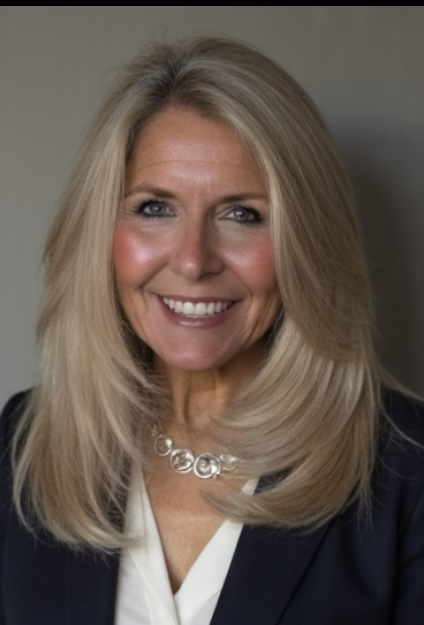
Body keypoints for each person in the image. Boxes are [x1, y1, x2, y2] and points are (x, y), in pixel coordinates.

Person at [1, 35, 423, 625]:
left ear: (307, 242)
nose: (194, 260)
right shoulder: (26, 442)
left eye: (242, 214)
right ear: (102, 231)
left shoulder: (408, 471)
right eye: (155, 208)